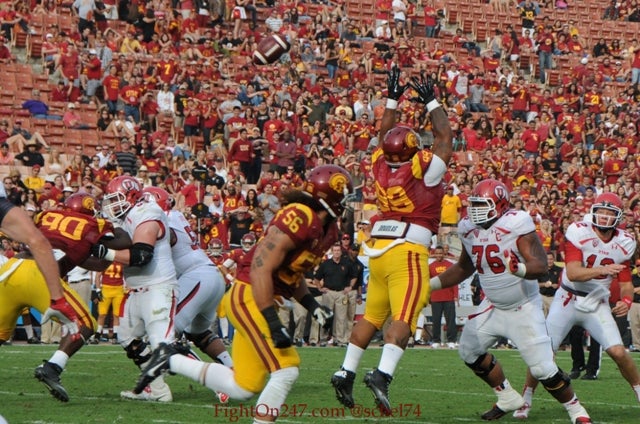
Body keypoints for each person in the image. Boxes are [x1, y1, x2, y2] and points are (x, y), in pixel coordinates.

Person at [132, 165, 350, 423]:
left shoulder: (328, 229)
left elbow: (292, 272)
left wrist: (311, 304)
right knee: (286, 369)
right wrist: (271, 320)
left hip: (262, 296)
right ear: (332, 197)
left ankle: (170, 359)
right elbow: (261, 266)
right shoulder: (300, 216)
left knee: (244, 386)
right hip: (250, 295)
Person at [332, 67, 453, 414]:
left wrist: (392, 100)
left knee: (371, 317)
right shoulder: (424, 168)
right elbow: (444, 138)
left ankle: (345, 370)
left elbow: (384, 134)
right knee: (404, 315)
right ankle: (382, 374)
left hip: (379, 249)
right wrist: (431, 101)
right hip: (408, 248)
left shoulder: (378, 164)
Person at [430, 179, 591, 422]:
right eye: (473, 204)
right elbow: (464, 267)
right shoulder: (467, 227)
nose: (475, 210)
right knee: (469, 351)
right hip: (492, 306)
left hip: (523, 307)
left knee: (542, 369)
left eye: (482, 205)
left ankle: (577, 410)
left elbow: (540, 265)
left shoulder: (516, 222)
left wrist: (521, 270)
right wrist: (430, 285)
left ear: (500, 204)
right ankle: (506, 396)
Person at [514, 192, 640, 420]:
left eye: (609, 212)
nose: (603, 216)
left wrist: (626, 300)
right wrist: (601, 270)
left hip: (596, 303)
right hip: (567, 299)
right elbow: (573, 272)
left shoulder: (625, 242)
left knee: (619, 352)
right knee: (545, 353)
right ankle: (526, 398)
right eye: (600, 210)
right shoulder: (579, 231)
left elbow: (626, 283)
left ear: (617, 216)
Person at [0, 192, 127, 401]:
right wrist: (115, 228)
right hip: (37, 273)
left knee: (1, 334)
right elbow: (123, 242)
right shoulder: (89, 225)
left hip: (11, 271)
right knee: (86, 323)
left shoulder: (47, 215)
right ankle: (52, 367)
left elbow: (76, 257)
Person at [94, 176, 179, 402]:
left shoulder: (146, 211)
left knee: (164, 349)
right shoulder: (125, 219)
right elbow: (101, 263)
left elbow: (142, 256)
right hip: (136, 290)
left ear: (131, 196)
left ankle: (221, 380)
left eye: (115, 199)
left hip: (157, 287)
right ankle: (159, 390)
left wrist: (106, 252)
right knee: (128, 339)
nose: (110, 206)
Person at [314, 243, 358, 347]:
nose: (337, 252)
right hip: (328, 292)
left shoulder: (346, 263)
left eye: (338, 250)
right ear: (332, 252)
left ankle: (340, 340)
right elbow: (316, 278)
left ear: (341, 252)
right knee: (326, 316)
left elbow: (354, 276)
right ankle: (324, 339)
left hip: (342, 293)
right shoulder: (326, 264)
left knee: (341, 318)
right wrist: (320, 288)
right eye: (335, 250)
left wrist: (350, 287)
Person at [428, 245, 457, 349]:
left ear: (444, 254)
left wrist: (456, 296)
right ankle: (436, 341)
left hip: (448, 297)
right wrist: (428, 297)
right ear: (434, 254)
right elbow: (428, 283)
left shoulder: (450, 265)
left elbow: (455, 281)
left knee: (451, 320)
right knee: (436, 320)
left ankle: (452, 341)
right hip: (435, 298)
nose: (439, 255)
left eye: (441, 253)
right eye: (437, 253)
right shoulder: (430, 266)